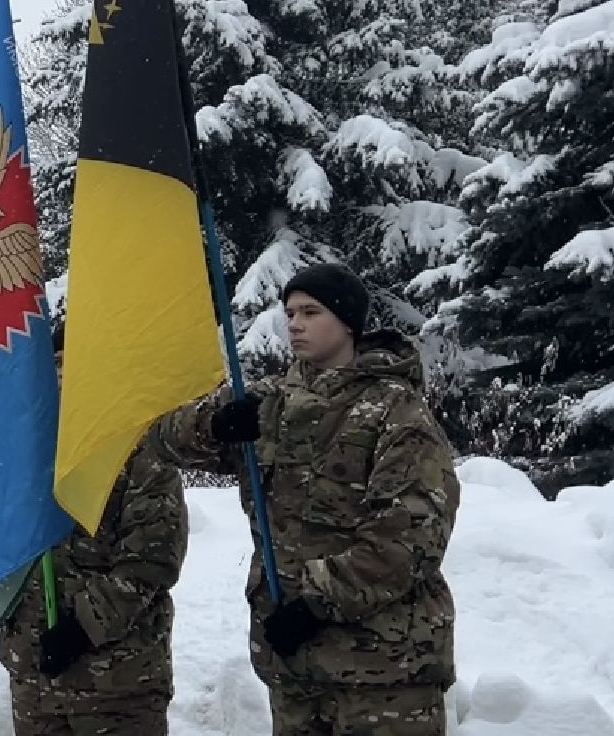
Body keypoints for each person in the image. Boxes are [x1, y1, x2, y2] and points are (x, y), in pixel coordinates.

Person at [155, 263, 459, 736]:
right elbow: (164, 440)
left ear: (347, 322)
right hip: (295, 666)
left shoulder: (394, 408)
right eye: (290, 312)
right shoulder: (269, 402)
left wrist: (314, 601)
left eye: (310, 312)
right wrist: (213, 426)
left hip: (382, 669)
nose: (294, 323)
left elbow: (410, 536)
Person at [1, 327, 185, 736]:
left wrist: (82, 626)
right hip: (36, 679)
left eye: (76, 363)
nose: (64, 375)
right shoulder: (28, 447)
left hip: (115, 682)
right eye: (55, 364)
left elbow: (150, 560)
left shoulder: (140, 448)